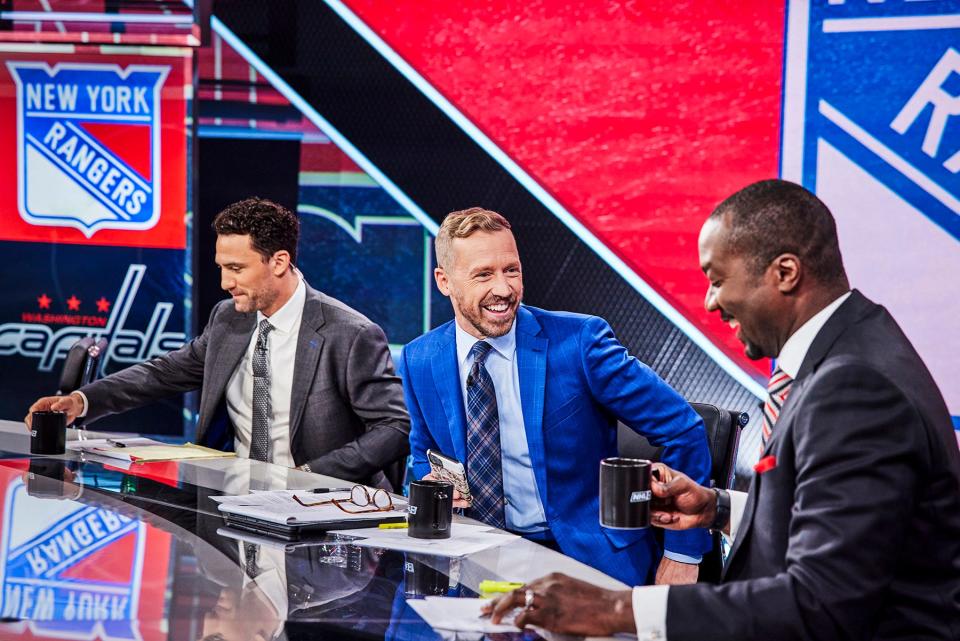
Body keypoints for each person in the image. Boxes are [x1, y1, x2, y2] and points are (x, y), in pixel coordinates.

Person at [485, 179, 960, 640]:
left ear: (785, 273)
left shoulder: (854, 387)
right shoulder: (851, 351)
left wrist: (615, 608)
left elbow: (821, 602)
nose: (711, 302)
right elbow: (847, 522)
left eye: (716, 281)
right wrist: (718, 507)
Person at [398, 207, 712, 586]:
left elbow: (684, 430)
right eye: (484, 275)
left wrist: (683, 555)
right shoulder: (419, 359)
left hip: (581, 559)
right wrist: (433, 487)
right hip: (472, 559)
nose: (503, 289)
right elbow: (423, 455)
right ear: (444, 281)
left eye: (511, 270)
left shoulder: (580, 343)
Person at [26, 198, 410, 486]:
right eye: (222, 268)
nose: (226, 283)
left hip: (314, 505)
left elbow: (395, 426)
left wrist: (309, 475)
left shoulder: (349, 333)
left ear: (278, 262)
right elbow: (163, 373)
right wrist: (81, 401)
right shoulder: (229, 317)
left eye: (237, 269)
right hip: (228, 497)